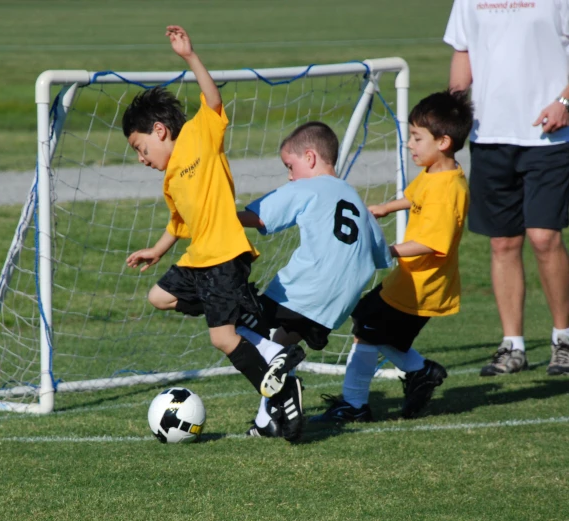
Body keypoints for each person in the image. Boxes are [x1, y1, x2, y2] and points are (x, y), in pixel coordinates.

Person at [122, 25, 305, 439]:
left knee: (222, 338)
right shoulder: (170, 181)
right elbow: (179, 224)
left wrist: (189, 56)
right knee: (159, 296)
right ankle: (249, 320)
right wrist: (157, 249)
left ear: (160, 131)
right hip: (199, 258)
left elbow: (213, 98)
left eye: (139, 147)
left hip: (223, 252)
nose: (140, 158)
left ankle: (277, 383)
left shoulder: (199, 135)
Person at [310, 90, 474, 423]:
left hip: (422, 284)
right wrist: (387, 207)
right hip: (411, 280)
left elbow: (431, 243)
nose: (410, 145)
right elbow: (416, 198)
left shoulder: (447, 192)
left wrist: (385, 251)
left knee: (368, 328)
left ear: (443, 141)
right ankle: (420, 371)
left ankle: (355, 405)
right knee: (370, 324)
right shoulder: (439, 173)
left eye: (416, 138)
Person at [234, 121, 392, 438]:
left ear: (309, 158)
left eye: (289, 166)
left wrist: (216, 216)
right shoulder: (356, 199)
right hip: (338, 305)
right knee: (280, 345)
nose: (289, 176)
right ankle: (267, 422)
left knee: (230, 327)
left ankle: (284, 384)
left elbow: (260, 215)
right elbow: (381, 256)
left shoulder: (306, 186)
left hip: (305, 289)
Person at [444, 1, 569, 377]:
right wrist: (451, 112)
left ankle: (563, 339)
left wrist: (564, 101)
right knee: (502, 242)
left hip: (550, 136)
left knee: (544, 237)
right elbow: (462, 54)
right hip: (489, 135)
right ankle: (512, 346)